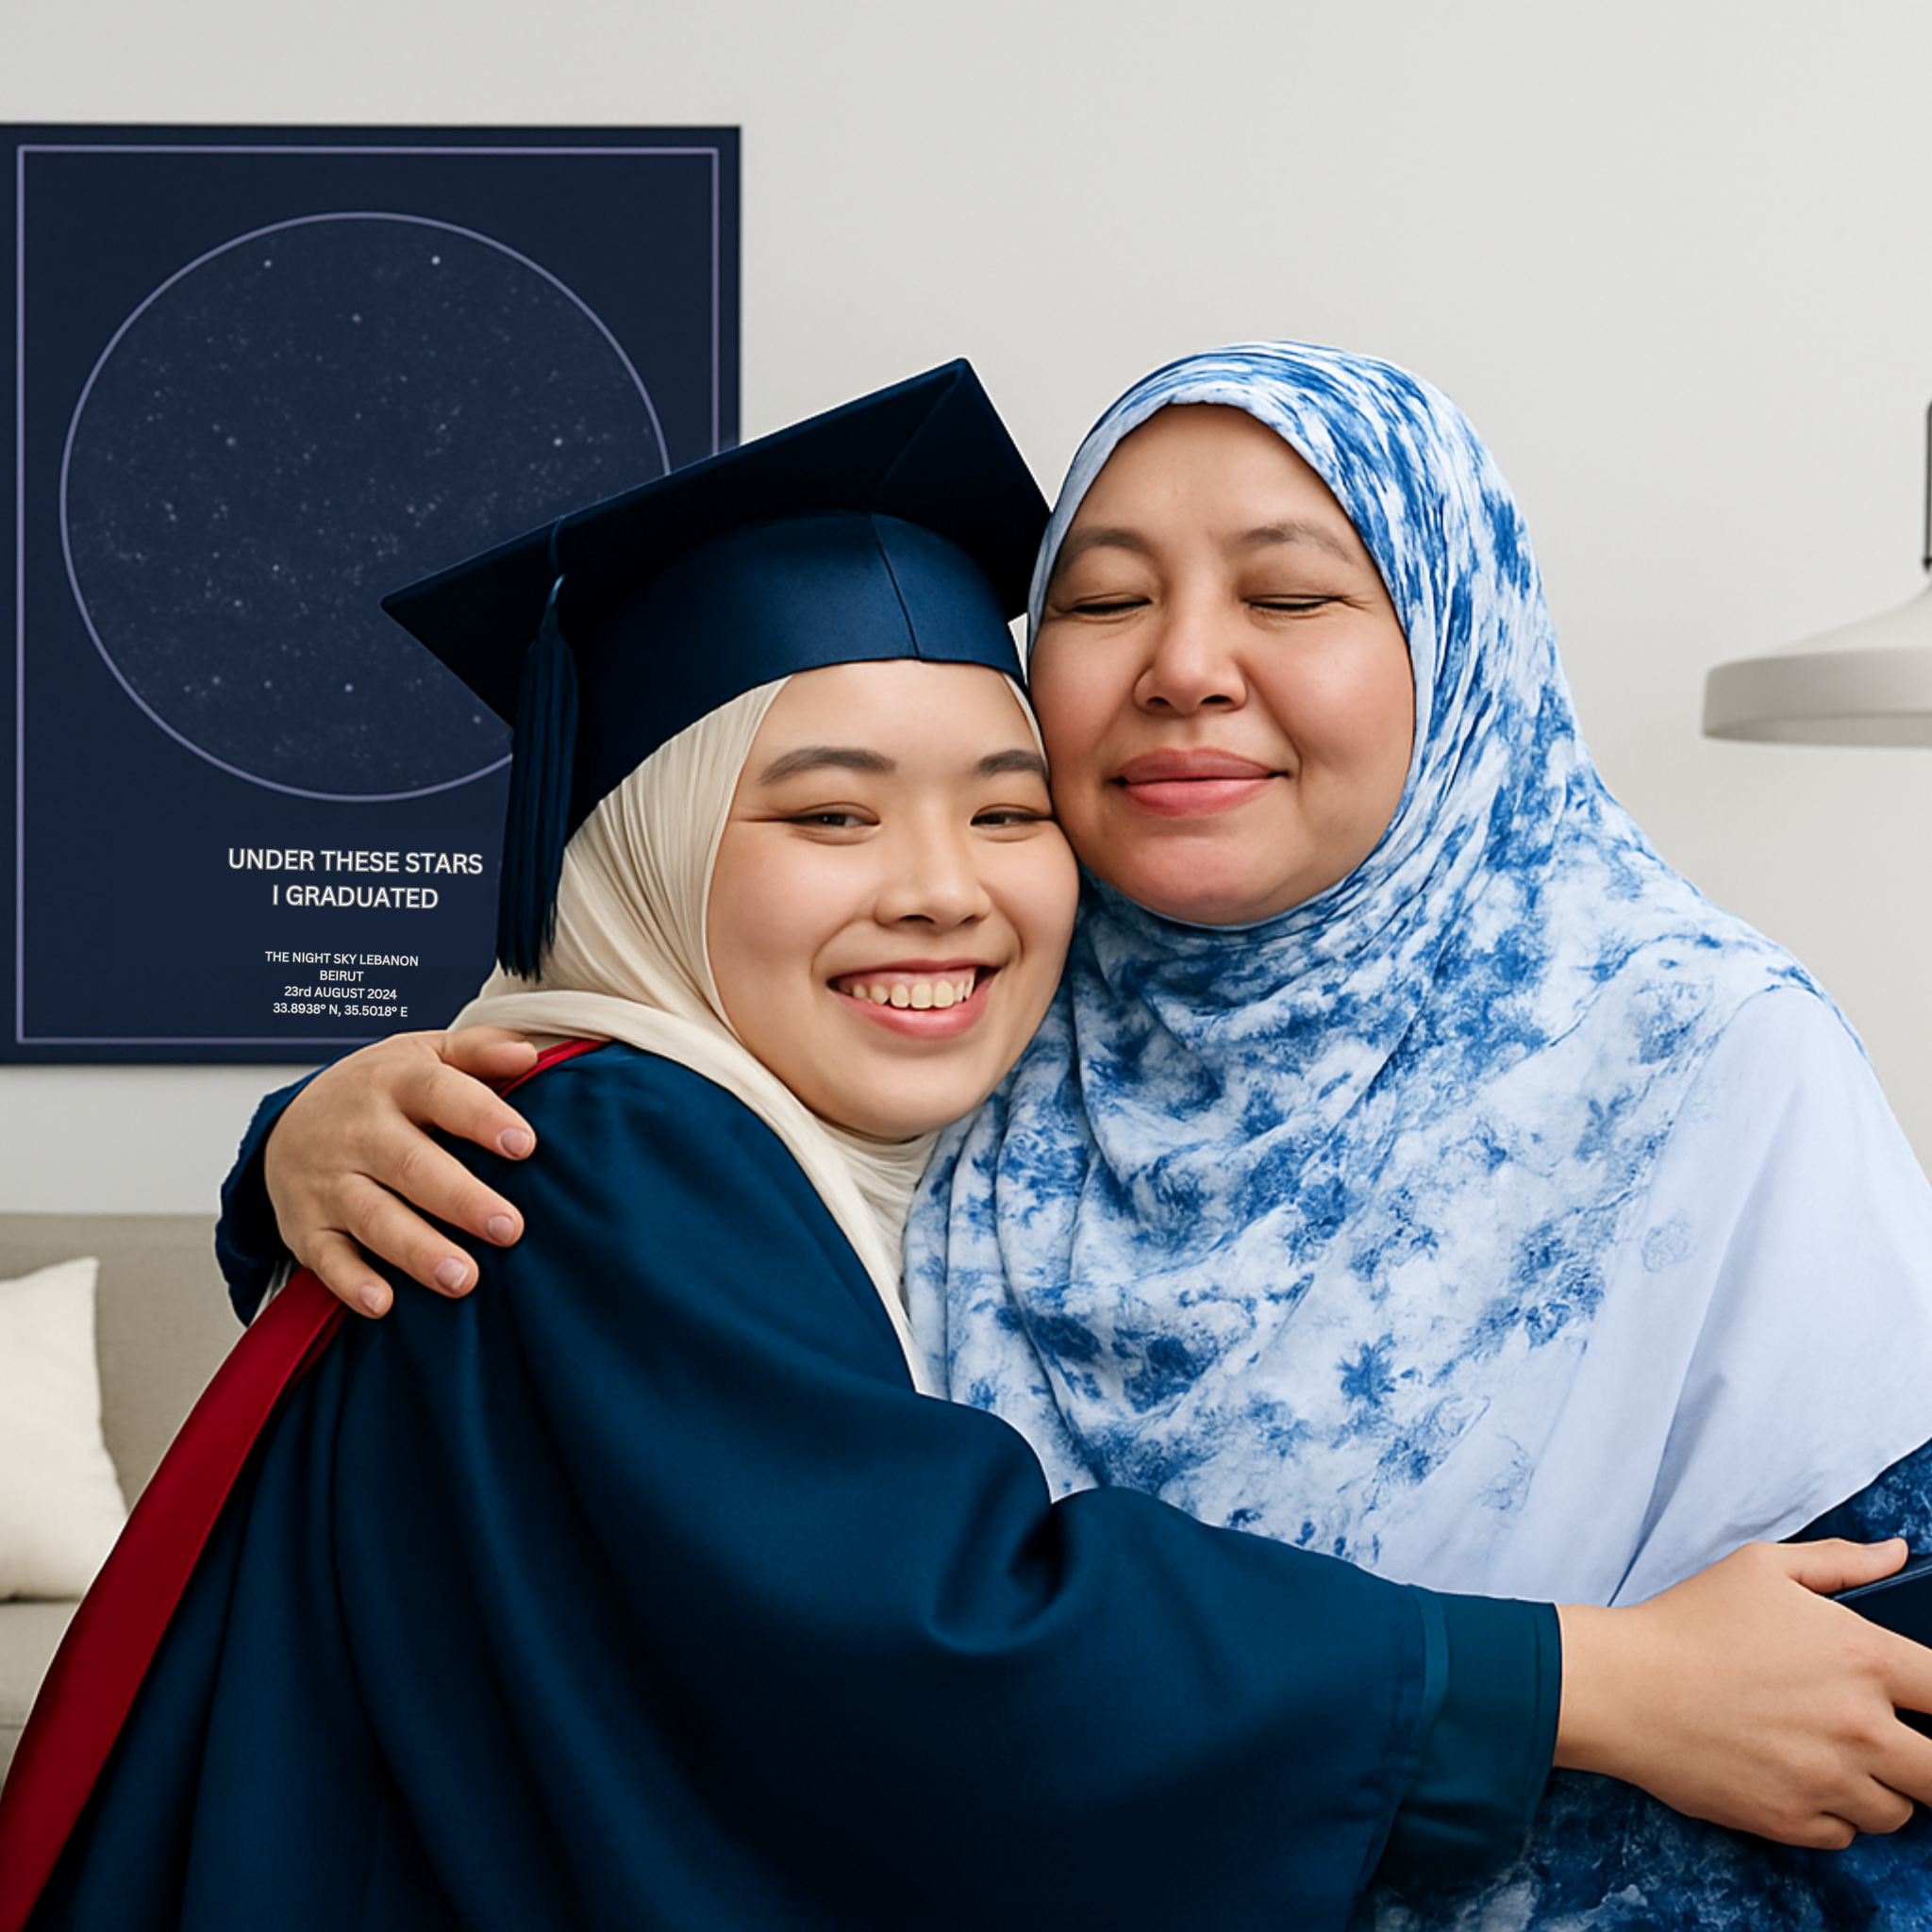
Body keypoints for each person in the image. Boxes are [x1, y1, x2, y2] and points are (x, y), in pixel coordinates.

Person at [234, 345, 1932, 1921]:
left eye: (1290, 591)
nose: (1187, 665)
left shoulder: (1705, 1062)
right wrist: (301, 1145)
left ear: (1459, 645)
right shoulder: (912, 1060)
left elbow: (1860, 1696)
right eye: (1104, 598)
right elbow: (932, 1623)